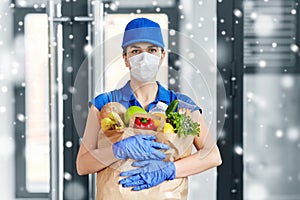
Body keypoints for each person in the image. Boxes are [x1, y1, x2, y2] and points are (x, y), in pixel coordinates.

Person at [76, 17, 222, 199]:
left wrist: (169, 170)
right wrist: (117, 150)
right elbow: (82, 165)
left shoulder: (181, 106)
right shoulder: (104, 104)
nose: (144, 58)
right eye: (136, 51)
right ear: (125, 58)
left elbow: (213, 155)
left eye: (152, 50)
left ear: (162, 56)